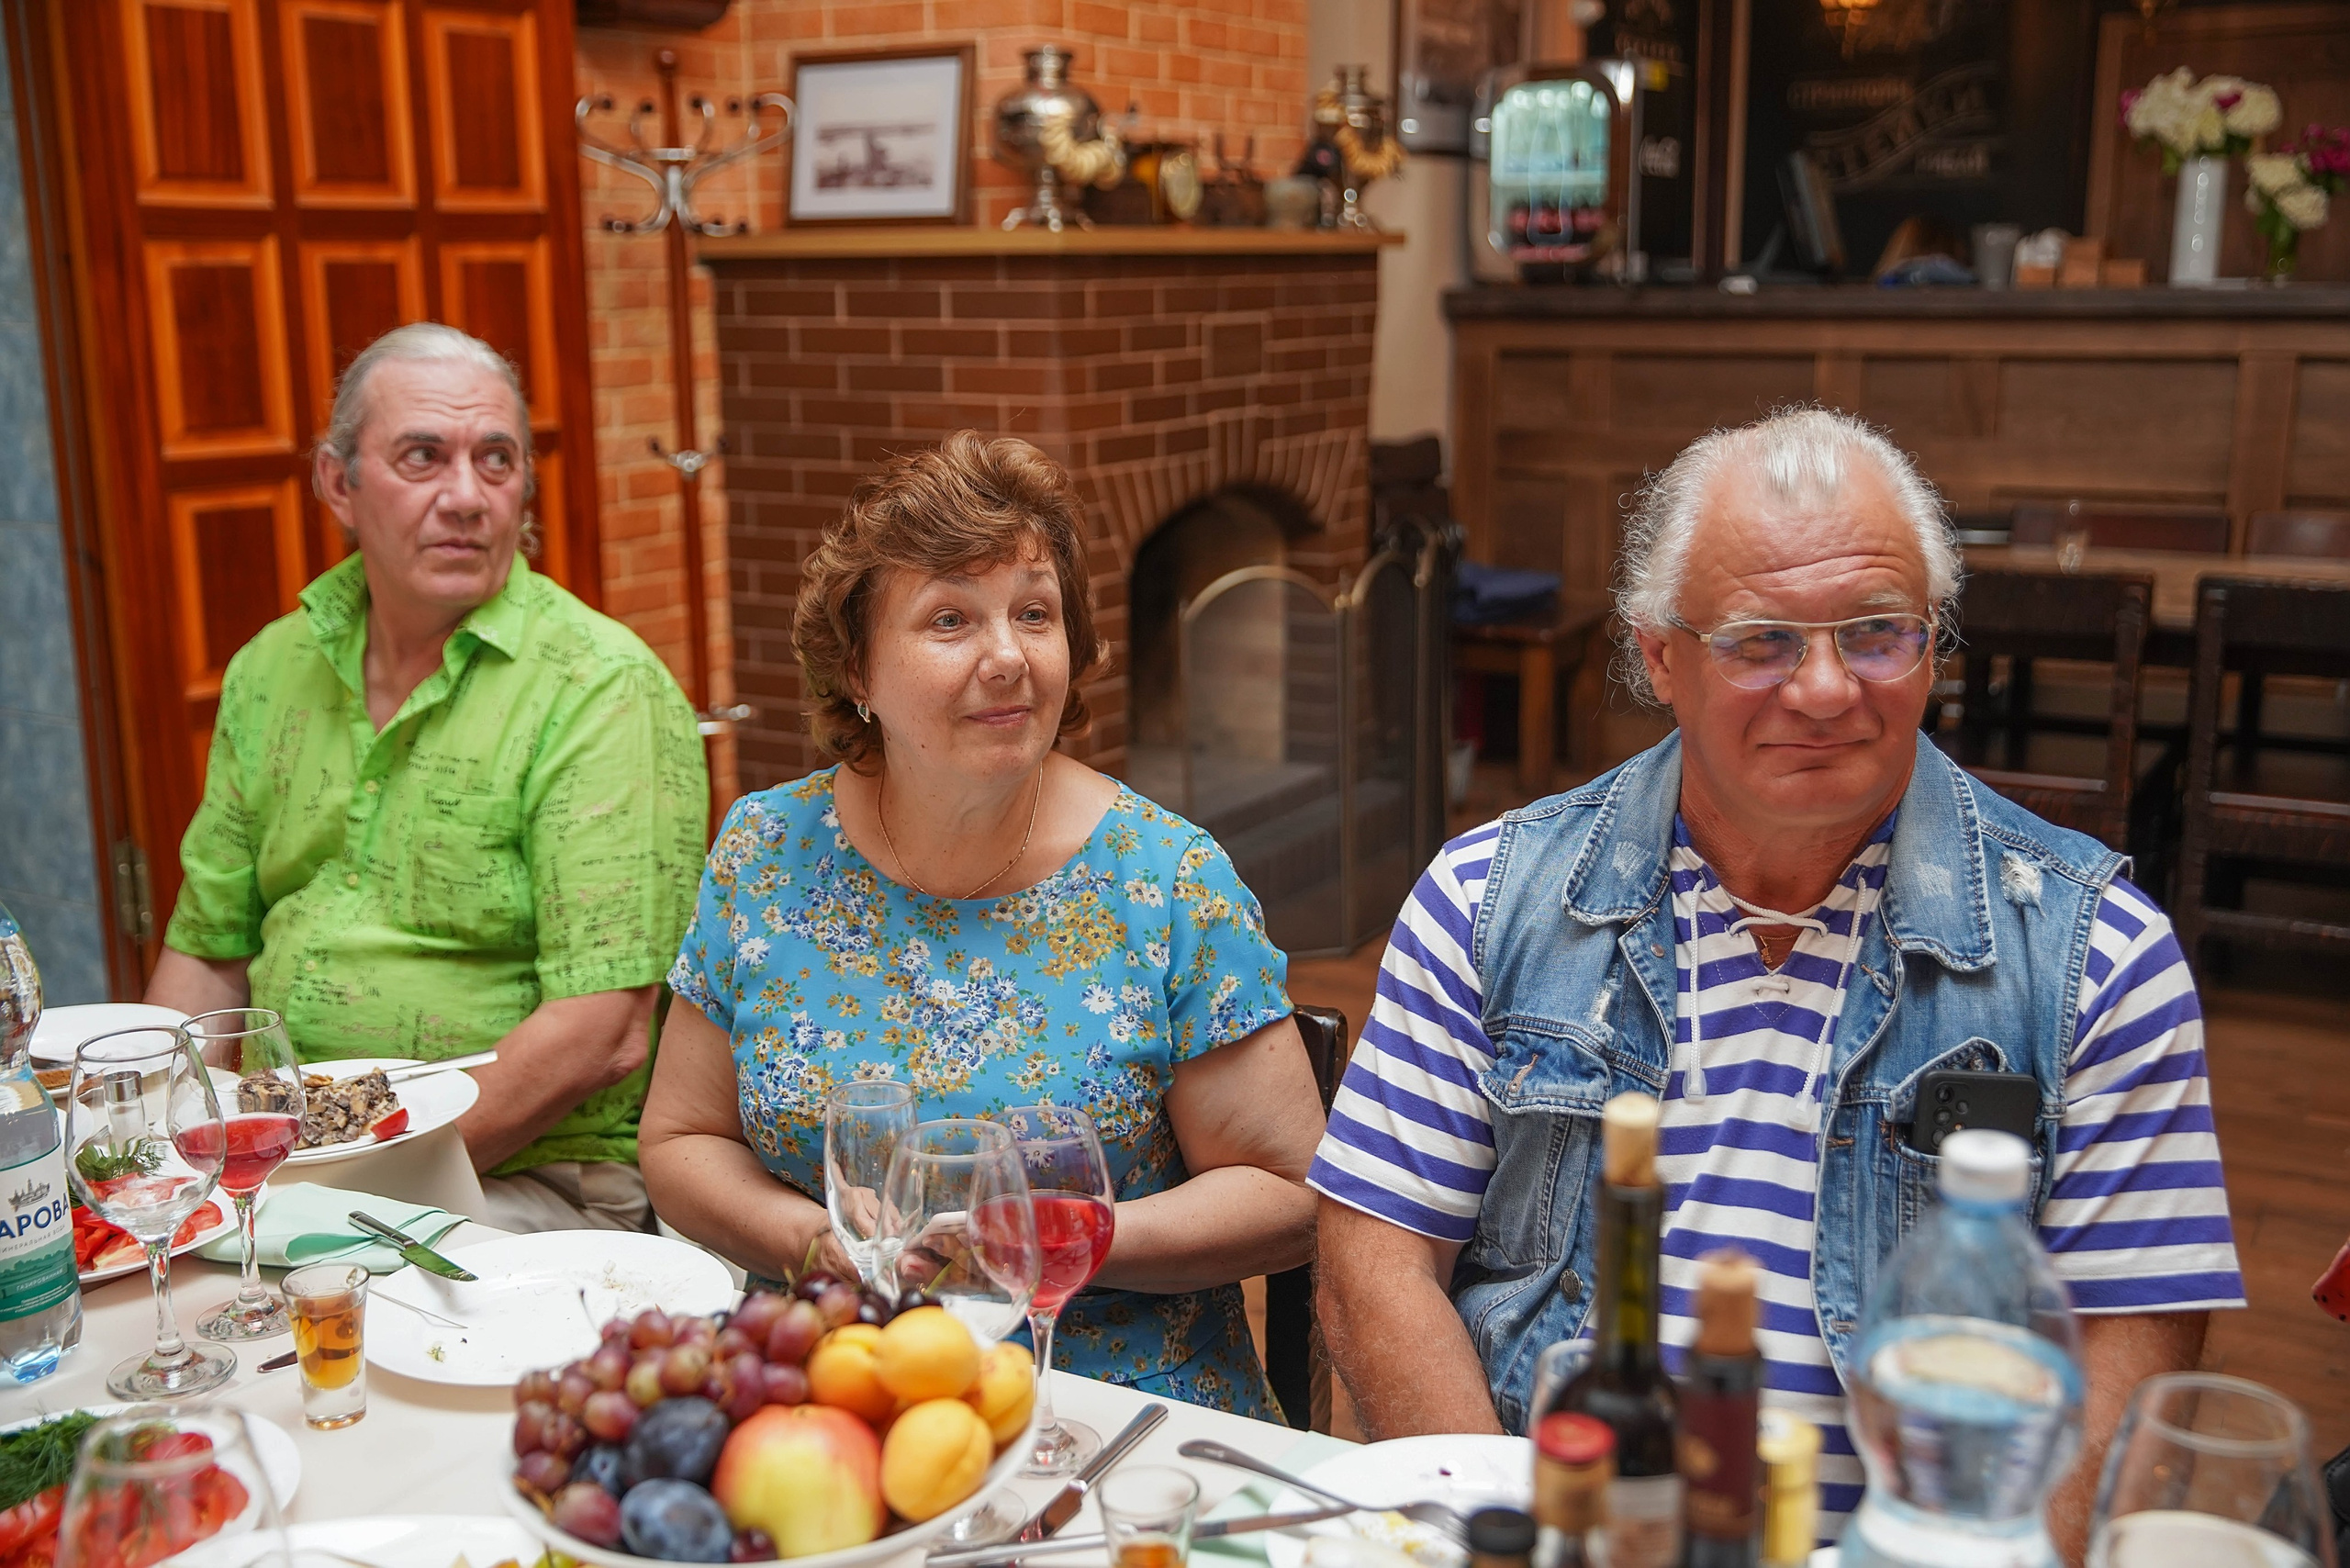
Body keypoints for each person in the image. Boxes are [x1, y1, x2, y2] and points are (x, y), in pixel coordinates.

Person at [1311, 408, 2241, 1561]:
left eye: (1876, 633)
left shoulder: (2096, 957)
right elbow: (1375, 1267)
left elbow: (2132, 1346)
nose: (1823, 689)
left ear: (1934, 644)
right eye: (1761, 641)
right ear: (1660, 656)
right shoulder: (1486, 898)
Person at [643, 432, 1323, 1417]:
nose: (1007, 656)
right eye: (951, 618)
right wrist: (817, 1243)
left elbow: (1291, 1192)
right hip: (837, 1392)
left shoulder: (1166, 881)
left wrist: (1060, 1240)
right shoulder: (763, 853)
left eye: (1034, 614)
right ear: (858, 673)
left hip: (1109, 1412)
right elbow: (678, 1140)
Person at [147, 322, 709, 1234]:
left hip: (517, 1177)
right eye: (422, 457)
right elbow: (210, 950)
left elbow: (601, 1034)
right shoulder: (269, 668)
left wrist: (336, 1186)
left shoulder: (601, 686)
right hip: (280, 1163)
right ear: (339, 482)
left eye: (497, 460)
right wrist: (163, 1142)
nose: (467, 496)